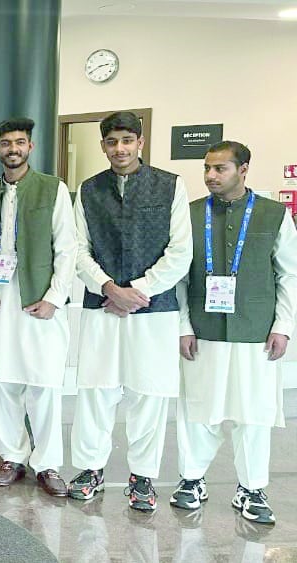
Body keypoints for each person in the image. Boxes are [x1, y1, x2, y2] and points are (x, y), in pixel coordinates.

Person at [71, 111, 192, 512]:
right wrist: (107, 287)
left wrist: (136, 291)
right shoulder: (89, 190)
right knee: (96, 390)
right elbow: (78, 249)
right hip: (100, 305)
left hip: (153, 310)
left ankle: (142, 477)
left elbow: (180, 252)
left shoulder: (169, 186)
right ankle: (90, 469)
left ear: (140, 142)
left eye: (127, 140)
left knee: (148, 394)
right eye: (111, 141)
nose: (119, 149)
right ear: (103, 145)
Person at [171, 141, 295, 525]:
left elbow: (289, 273)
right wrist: (183, 326)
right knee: (196, 409)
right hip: (202, 329)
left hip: (255, 330)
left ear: (243, 169)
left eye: (220, 169)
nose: (210, 176)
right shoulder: (188, 215)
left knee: (254, 413)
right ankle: (192, 480)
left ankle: (252, 488)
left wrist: (283, 327)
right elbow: (177, 277)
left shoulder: (274, 215)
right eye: (207, 168)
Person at [0, 117, 76, 497]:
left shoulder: (53, 189)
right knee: (2, 380)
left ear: (30, 147)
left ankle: (47, 463)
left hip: (39, 299)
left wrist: (54, 298)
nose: (13, 149)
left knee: (44, 382)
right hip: (0, 297)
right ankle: (13, 455)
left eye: (19, 142)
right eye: (6, 143)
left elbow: (67, 248)